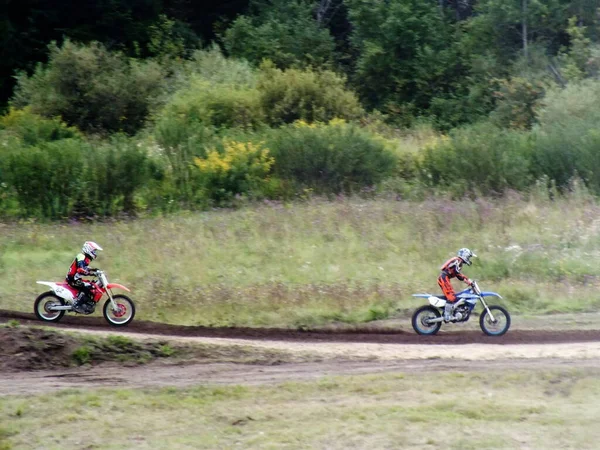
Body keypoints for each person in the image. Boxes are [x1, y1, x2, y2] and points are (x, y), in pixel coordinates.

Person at [438, 248, 477, 322]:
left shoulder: (458, 261)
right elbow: (457, 273)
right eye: (468, 257)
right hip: (444, 278)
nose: (468, 259)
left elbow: (457, 274)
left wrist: (467, 280)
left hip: (445, 278)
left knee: (454, 297)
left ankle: (453, 312)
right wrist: (467, 280)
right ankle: (447, 315)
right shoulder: (457, 260)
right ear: (465, 255)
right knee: (451, 297)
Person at [66, 241, 103, 312]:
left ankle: (85, 302)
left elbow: (85, 268)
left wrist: (94, 270)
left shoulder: (86, 258)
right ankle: (77, 305)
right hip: (72, 279)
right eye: (94, 251)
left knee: (93, 285)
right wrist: (92, 273)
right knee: (88, 287)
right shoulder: (81, 256)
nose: (95, 253)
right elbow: (81, 269)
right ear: (88, 249)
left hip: (76, 278)